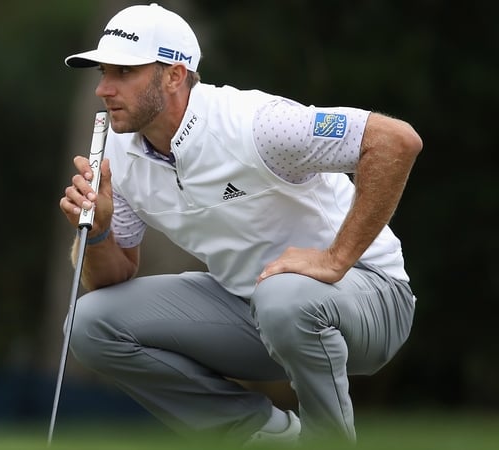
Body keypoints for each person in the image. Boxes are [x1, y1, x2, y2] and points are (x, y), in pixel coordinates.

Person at [58, 3, 422, 446]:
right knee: (89, 323)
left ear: (174, 75)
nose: (103, 89)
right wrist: (97, 229)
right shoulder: (119, 150)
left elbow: (395, 140)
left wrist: (337, 258)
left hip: (371, 298)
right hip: (254, 309)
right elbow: (113, 278)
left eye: (123, 72)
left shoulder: (257, 124)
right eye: (102, 72)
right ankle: (264, 437)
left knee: (282, 297)